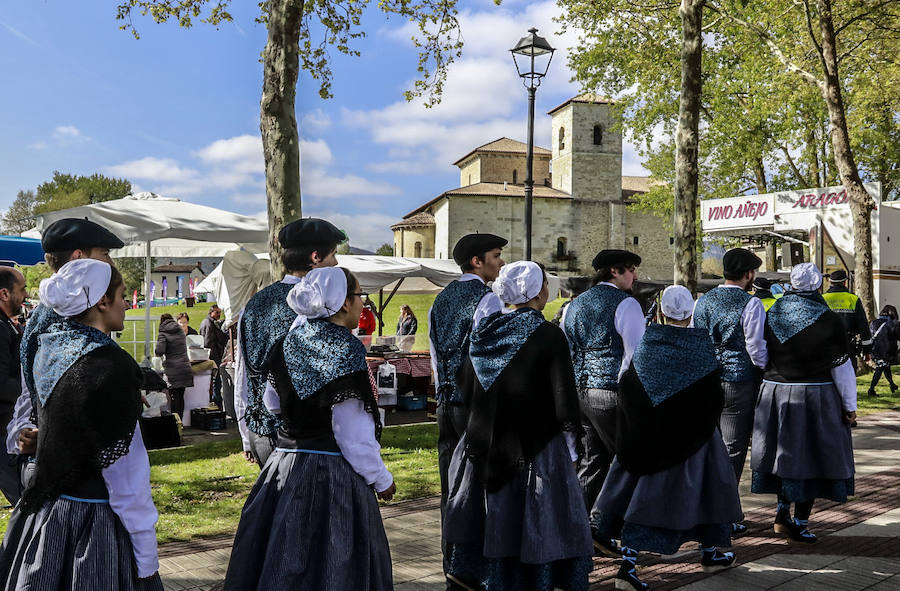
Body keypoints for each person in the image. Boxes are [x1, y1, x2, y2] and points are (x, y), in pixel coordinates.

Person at [224, 267, 395, 590]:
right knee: (335, 560)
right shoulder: (347, 350)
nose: (363, 305)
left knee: (283, 557)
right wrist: (381, 478)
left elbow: (272, 402)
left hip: (286, 462)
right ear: (344, 303)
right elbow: (352, 433)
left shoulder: (289, 342)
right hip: (332, 474)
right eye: (361, 297)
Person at [0, 259, 162, 589]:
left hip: (50, 515)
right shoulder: (111, 366)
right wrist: (146, 558)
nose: (126, 304)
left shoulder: (49, 347)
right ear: (102, 301)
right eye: (120, 295)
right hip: (94, 524)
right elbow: (128, 479)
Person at [444, 261, 592, 591]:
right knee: (537, 517)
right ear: (540, 291)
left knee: (493, 513)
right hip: (536, 445)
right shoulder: (550, 334)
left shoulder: (486, 330)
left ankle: (488, 576)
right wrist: (570, 450)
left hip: (485, 439)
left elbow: (465, 385)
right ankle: (533, 579)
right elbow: (563, 395)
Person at [592, 286, 742, 590]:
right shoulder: (702, 346)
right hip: (694, 435)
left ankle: (630, 563)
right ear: (691, 314)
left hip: (648, 435)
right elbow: (713, 395)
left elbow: (629, 387)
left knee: (635, 495)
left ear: (661, 312)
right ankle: (709, 551)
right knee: (708, 493)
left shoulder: (648, 343)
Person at [7, 218, 124, 492]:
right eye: (105, 254)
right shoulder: (51, 319)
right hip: (72, 477)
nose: (111, 263)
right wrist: (21, 431)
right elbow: (30, 394)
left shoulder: (88, 310)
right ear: (79, 258)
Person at [752, 263, 856, 544]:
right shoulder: (828, 319)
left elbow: (758, 351)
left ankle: (782, 512)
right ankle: (800, 521)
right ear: (816, 285)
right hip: (815, 394)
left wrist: (770, 374)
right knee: (811, 457)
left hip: (775, 391)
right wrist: (849, 406)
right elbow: (841, 368)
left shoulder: (772, 313)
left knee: (783, 456)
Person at [235, 218, 345, 468]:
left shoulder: (252, 306)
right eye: (333, 255)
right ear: (315, 257)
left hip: (260, 430)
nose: (336, 263)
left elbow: (244, 374)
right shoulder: (321, 308)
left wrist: (245, 435)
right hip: (305, 438)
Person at [429, 233, 506, 577]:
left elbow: (434, 355)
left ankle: (451, 560)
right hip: (474, 406)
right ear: (477, 261)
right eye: (496, 255)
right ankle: (474, 564)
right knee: (478, 486)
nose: (501, 262)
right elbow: (488, 360)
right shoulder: (487, 301)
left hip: (444, 403)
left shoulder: (440, 300)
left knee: (450, 487)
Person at [561, 249, 645, 554]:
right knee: (630, 460)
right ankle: (602, 526)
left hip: (580, 393)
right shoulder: (627, 304)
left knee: (591, 462)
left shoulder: (574, 306)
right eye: (631, 270)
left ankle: (578, 530)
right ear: (614, 271)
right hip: (610, 393)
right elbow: (635, 357)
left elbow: (568, 352)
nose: (635, 276)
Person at [693, 248, 768, 536]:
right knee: (732, 450)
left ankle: (704, 506)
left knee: (708, 446)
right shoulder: (750, 304)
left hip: (707, 379)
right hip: (737, 382)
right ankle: (724, 513)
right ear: (749, 274)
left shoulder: (704, 301)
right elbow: (756, 349)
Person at [0, 268, 26, 504]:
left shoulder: (6, 325)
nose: (26, 295)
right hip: (2, 425)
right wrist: (27, 391)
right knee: (25, 501)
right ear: (4, 294)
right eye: (22, 290)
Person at [823, 269, 872, 370]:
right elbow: (863, 327)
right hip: (848, 347)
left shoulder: (822, 299)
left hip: (826, 348)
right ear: (845, 282)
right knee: (848, 381)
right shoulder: (853, 299)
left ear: (830, 282)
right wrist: (867, 351)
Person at [155, 313, 194, 418]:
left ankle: (175, 423)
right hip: (185, 367)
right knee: (180, 397)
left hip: (173, 369)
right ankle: (180, 422)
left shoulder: (163, 333)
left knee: (173, 397)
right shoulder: (180, 331)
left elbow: (159, 351)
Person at [867, 305, 899, 397]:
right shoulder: (893, 324)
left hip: (875, 351)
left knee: (885, 367)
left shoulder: (874, 323)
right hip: (886, 351)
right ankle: (871, 389)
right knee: (880, 368)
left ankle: (892, 385)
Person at [200, 305, 228, 406]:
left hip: (214, 355)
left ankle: (217, 403)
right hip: (213, 357)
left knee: (216, 382)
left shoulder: (212, 323)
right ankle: (217, 404)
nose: (219, 315)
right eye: (217, 312)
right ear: (211, 312)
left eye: (220, 312)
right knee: (216, 382)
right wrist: (215, 353)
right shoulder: (208, 323)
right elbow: (207, 342)